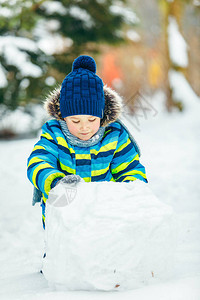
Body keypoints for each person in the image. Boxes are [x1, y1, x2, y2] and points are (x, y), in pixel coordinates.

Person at [27, 55, 148, 229]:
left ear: (101, 114)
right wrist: (56, 183)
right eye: (75, 121)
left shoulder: (114, 135)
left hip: (105, 215)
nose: (84, 127)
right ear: (63, 115)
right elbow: (38, 162)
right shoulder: (54, 133)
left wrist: (131, 192)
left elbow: (129, 168)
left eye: (92, 119)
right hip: (64, 219)